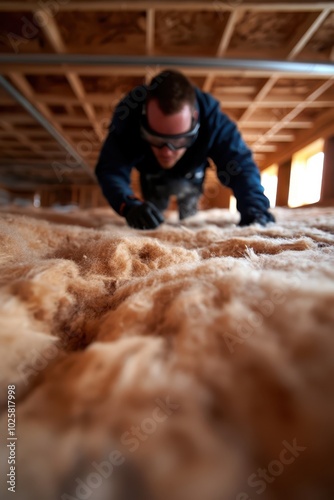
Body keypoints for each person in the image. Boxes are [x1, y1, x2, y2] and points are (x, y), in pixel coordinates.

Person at [95, 69, 275, 229]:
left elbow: (240, 166)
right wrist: (128, 204)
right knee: (152, 217)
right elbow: (111, 168)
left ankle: (188, 202)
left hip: (192, 174)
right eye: (155, 138)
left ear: (195, 119)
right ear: (144, 116)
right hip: (151, 174)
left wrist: (255, 209)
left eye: (179, 140)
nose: (167, 152)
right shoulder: (128, 116)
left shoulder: (213, 120)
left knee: (189, 217)